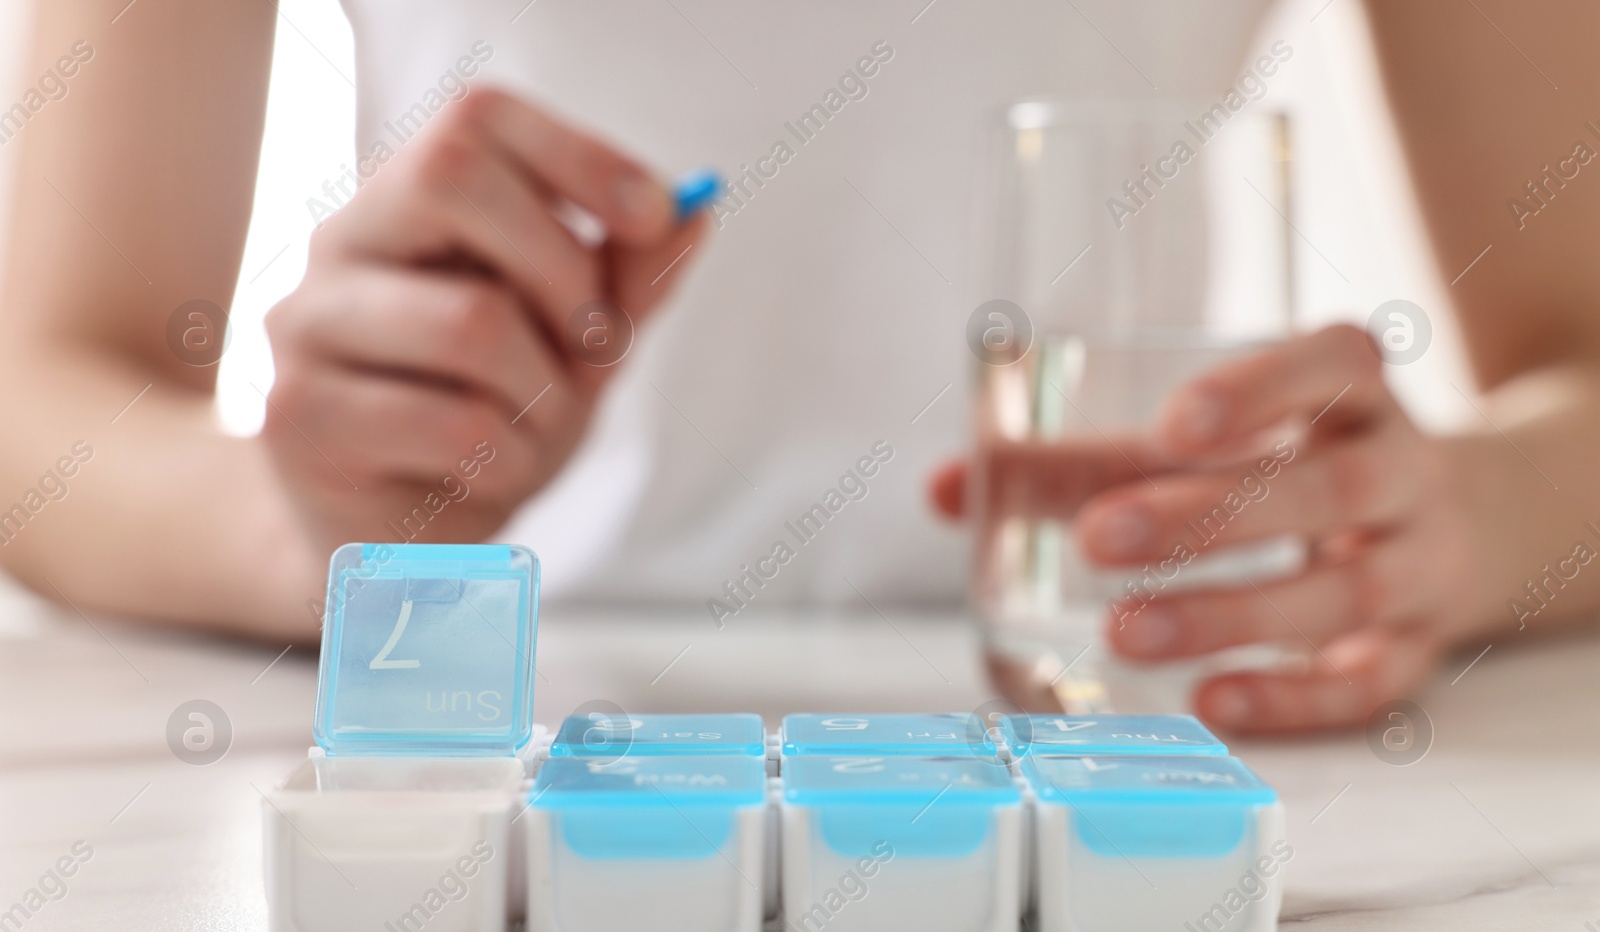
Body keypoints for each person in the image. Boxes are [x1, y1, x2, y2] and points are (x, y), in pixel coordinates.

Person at [3, 0, 1599, 735]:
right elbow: (35, 391)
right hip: (503, 734)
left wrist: (1473, 518)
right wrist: (323, 530)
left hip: (1117, 709)